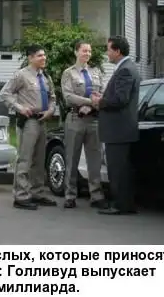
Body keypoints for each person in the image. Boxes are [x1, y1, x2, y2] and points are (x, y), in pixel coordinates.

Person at [0, 44, 57, 210]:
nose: (44, 58)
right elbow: (4, 94)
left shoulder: (45, 76)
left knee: (39, 160)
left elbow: (52, 97)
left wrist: (50, 110)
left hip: (42, 120)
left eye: (44, 55)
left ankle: (37, 193)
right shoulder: (21, 75)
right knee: (25, 159)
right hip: (28, 122)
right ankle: (21, 196)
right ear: (30, 58)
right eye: (40, 55)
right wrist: (19, 108)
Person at [91, 36, 140, 215]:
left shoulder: (125, 70)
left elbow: (120, 99)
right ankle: (125, 204)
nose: (107, 53)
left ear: (117, 51)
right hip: (121, 130)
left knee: (117, 170)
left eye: (109, 49)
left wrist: (100, 102)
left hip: (118, 130)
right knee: (122, 170)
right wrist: (104, 98)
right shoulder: (128, 67)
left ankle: (120, 205)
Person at [60, 41, 108, 209]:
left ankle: (96, 195)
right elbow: (68, 97)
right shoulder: (69, 73)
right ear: (76, 52)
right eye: (84, 51)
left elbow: (103, 92)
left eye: (89, 51)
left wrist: (94, 105)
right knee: (72, 158)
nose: (87, 54)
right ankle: (70, 195)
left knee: (95, 160)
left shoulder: (96, 72)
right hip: (76, 119)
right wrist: (89, 102)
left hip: (94, 120)